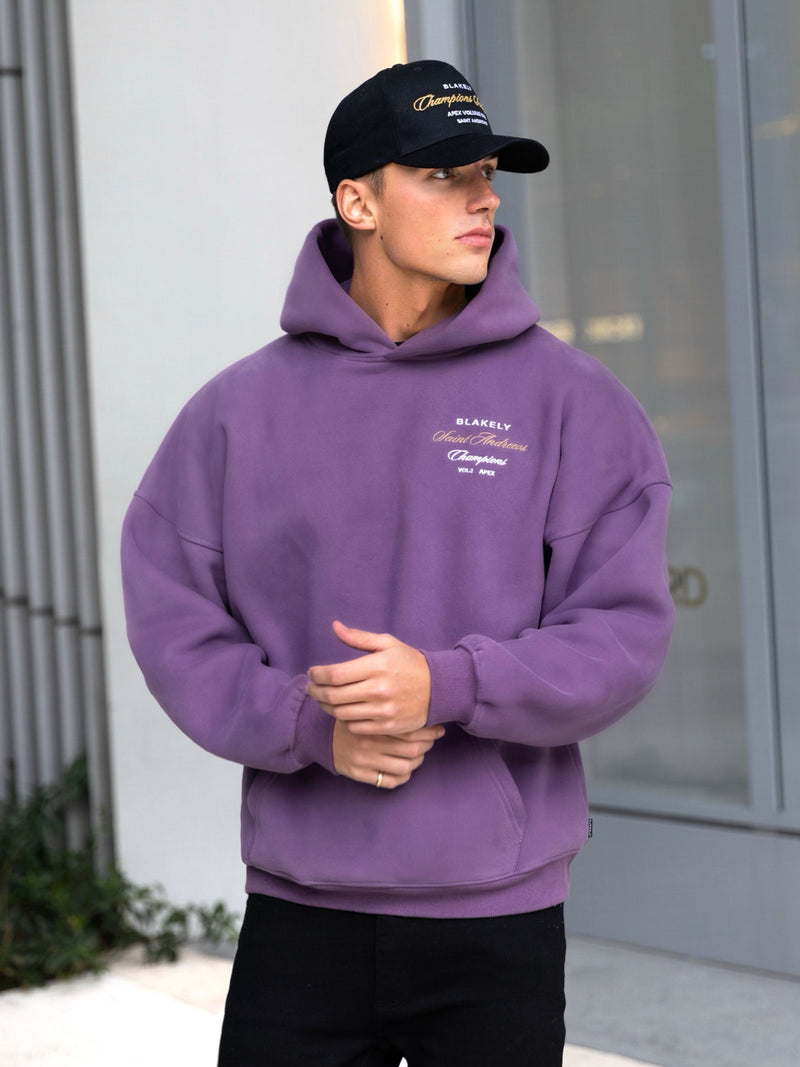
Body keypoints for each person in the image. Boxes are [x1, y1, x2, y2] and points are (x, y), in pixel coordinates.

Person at [121, 59, 675, 1066]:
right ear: (357, 201)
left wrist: (447, 682)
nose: (482, 198)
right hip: (302, 914)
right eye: (442, 174)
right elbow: (174, 617)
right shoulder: (236, 413)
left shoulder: (574, 403)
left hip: (495, 917)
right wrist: (309, 724)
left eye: (486, 173)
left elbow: (622, 633)